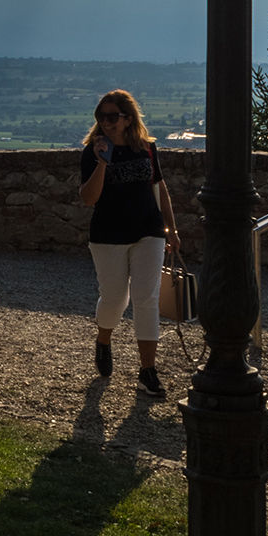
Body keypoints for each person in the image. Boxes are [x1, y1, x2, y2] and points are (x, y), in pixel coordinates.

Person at [78, 89, 182, 398]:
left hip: (148, 231)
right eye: (102, 117)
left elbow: (160, 189)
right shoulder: (91, 151)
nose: (106, 123)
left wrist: (172, 229)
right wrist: (101, 163)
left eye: (112, 117)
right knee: (114, 299)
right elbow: (88, 199)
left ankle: (147, 371)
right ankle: (104, 339)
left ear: (128, 118)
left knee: (146, 298)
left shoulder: (147, 149)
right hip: (108, 234)